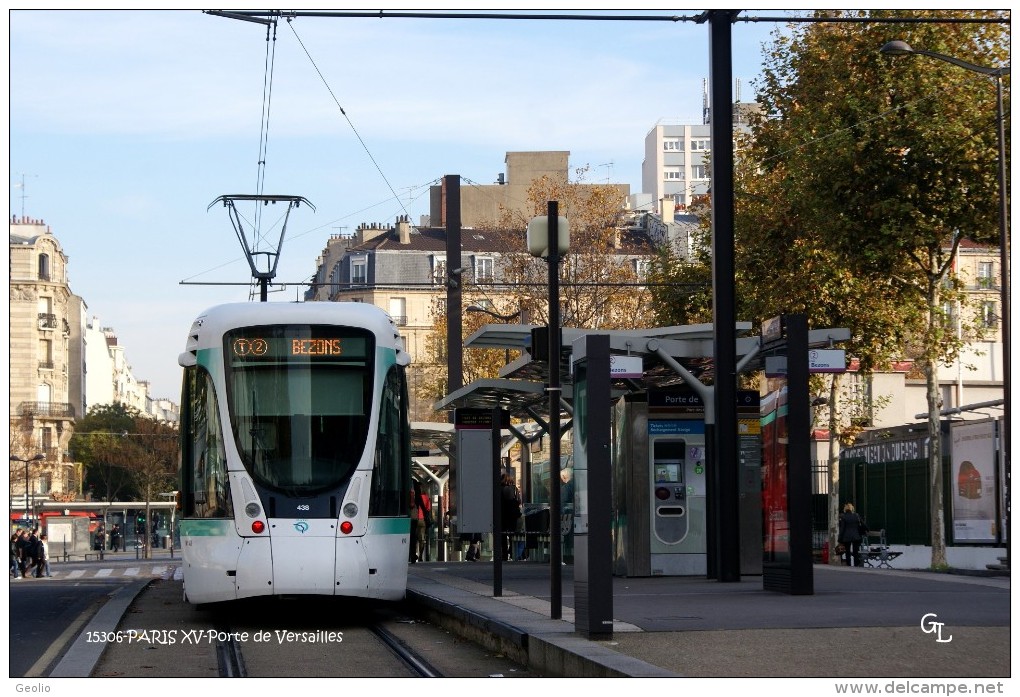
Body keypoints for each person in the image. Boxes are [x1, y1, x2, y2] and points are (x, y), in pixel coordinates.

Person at [499, 473, 522, 562]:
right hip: (512, 516)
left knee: (502, 537)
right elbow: (518, 501)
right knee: (513, 534)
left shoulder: (498, 489)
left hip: (501, 516)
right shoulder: (513, 489)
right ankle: (513, 553)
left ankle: (504, 555)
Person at [838, 502, 867, 567]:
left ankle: (849, 564)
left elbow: (842, 529)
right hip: (856, 536)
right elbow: (863, 524)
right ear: (852, 509)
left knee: (847, 552)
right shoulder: (856, 515)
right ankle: (856, 564)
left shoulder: (843, 517)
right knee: (855, 551)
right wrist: (867, 530)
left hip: (846, 537)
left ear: (845, 509)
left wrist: (840, 539)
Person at [409, 481, 430, 563]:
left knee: (412, 537)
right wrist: (425, 515)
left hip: (409, 516)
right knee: (421, 539)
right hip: (418, 518)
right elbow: (427, 508)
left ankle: (411, 555)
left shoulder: (408, 485)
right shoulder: (425, 497)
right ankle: (419, 555)